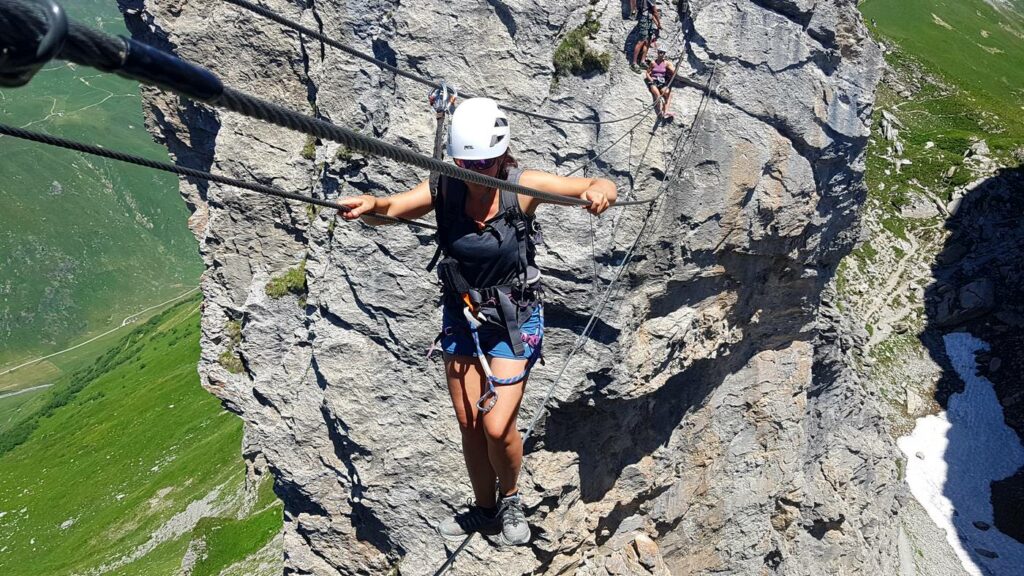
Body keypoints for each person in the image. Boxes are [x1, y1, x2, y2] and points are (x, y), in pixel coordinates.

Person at [340, 98, 617, 546]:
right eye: (466, 161)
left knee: (495, 425)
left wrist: (599, 191)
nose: (475, 168)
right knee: (470, 423)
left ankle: (510, 499)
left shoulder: (521, 187)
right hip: (463, 313)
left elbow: (595, 182)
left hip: (514, 318)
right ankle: (484, 510)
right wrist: (370, 204)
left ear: (501, 154)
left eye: (484, 161)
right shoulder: (445, 186)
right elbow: (392, 209)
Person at [644, 48, 675, 120]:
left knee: (669, 94)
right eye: (660, 52)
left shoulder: (667, 63)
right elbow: (647, 73)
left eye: (663, 53)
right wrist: (651, 80)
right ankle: (660, 112)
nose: (662, 54)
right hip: (654, 81)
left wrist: (672, 71)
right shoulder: (653, 63)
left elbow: (673, 71)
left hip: (662, 82)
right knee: (658, 95)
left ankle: (666, 111)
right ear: (658, 53)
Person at [631, 0, 661, 72]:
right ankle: (634, 63)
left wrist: (657, 24)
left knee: (648, 41)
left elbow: (651, 12)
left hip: (648, 18)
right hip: (644, 19)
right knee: (641, 41)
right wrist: (659, 23)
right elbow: (654, 11)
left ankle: (642, 61)